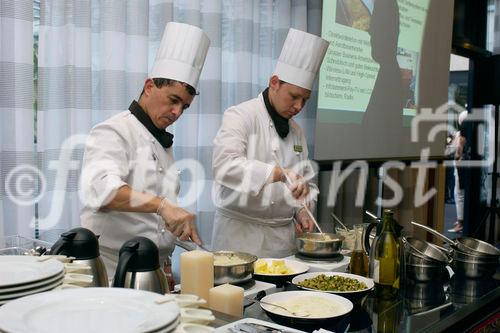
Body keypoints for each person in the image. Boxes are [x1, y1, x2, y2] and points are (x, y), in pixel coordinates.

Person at [80, 22, 210, 286]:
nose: (177, 113)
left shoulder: (161, 141)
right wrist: (163, 206)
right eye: (173, 100)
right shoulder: (113, 131)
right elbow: (103, 191)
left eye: (184, 107)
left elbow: (152, 222)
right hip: (112, 270)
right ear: (149, 86)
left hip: (153, 270)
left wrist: (164, 260)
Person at [210, 28, 329, 258]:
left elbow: (306, 184)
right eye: (294, 96)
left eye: (305, 99)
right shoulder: (241, 115)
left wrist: (303, 210)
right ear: (274, 82)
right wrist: (278, 173)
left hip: (282, 242)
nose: (298, 106)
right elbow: (224, 166)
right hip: (239, 238)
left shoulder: (297, 132)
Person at [448, 110, 468, 233]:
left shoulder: (462, 135)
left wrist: (455, 156)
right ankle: (461, 220)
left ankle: (460, 222)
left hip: (460, 167)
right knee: (459, 193)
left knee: (459, 194)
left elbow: (458, 153)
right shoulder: (464, 133)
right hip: (462, 167)